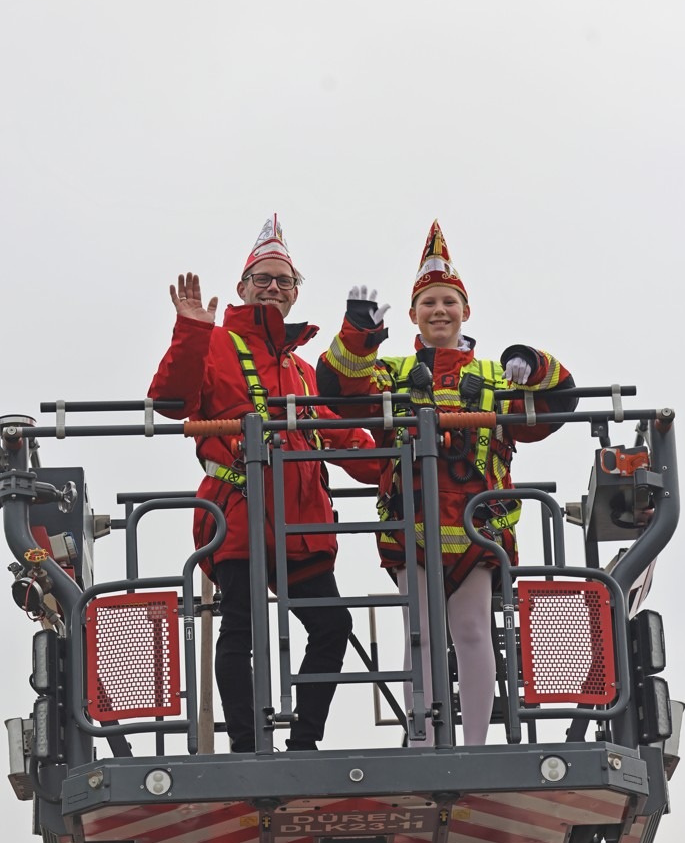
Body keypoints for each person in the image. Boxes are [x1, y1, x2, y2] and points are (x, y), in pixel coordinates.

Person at [316, 220, 577, 746]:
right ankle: (424, 740)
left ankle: (476, 746)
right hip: (411, 527)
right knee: (422, 638)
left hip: (477, 532)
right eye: (429, 302)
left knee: (474, 633)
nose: (440, 311)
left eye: (449, 302)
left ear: (466, 311)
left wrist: (532, 360)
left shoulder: (498, 373)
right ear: (413, 315)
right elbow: (340, 389)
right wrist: (358, 333)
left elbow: (554, 409)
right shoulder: (391, 371)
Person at [148, 215, 380, 752]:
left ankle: (303, 744)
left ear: (296, 294)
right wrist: (190, 331)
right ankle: (249, 748)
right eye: (263, 279)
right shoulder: (213, 344)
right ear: (242, 288)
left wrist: (408, 466)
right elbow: (170, 402)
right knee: (241, 629)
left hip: (303, 522)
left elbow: (347, 443)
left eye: (284, 281)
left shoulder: (302, 370)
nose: (273, 288)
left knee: (330, 627)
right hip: (238, 517)